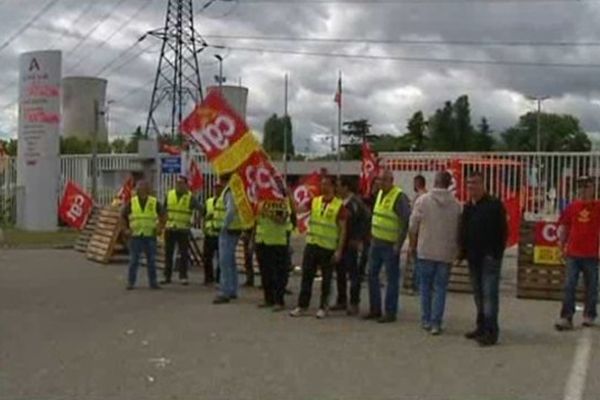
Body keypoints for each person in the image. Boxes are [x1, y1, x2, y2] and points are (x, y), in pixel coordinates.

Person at [409, 171, 461, 335]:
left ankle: (426, 319)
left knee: (425, 287)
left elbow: (413, 225)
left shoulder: (423, 201)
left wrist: (412, 245)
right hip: (446, 252)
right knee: (440, 288)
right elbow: (459, 229)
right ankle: (436, 323)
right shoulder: (456, 204)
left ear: (435, 181)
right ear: (448, 183)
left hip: (425, 250)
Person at [460, 171, 507, 347]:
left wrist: (495, 253)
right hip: (473, 258)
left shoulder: (494, 206)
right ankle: (480, 326)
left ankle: (491, 331)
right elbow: (464, 231)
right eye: (469, 183)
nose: (472, 186)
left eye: (475, 183)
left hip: (489, 258)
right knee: (478, 295)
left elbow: (502, 232)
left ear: (483, 184)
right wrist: (462, 252)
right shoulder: (468, 207)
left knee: (489, 296)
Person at [290, 176, 347, 319]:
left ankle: (323, 306)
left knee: (326, 279)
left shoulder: (339, 206)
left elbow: (343, 229)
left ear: (333, 187)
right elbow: (298, 210)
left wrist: (339, 250)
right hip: (312, 244)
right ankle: (302, 305)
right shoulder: (315, 201)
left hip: (327, 247)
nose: (324, 187)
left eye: (327, 184)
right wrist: (290, 196)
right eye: (322, 184)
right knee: (307, 276)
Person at [365, 170, 411, 323]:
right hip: (376, 241)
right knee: (372, 274)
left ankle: (390, 312)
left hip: (390, 244)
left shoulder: (399, 196)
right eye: (379, 180)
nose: (381, 183)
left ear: (391, 180)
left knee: (391, 278)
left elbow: (404, 222)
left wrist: (399, 243)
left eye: (384, 180)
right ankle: (375, 309)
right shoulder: (379, 194)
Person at [555, 176, 600, 330]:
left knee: (592, 286)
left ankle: (590, 315)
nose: (583, 190)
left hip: (592, 254)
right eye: (580, 187)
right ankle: (566, 317)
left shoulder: (598, 207)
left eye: (586, 186)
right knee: (569, 285)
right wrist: (561, 244)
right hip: (573, 253)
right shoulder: (572, 206)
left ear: (593, 189)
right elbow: (564, 226)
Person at [332, 177, 369, 315]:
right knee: (340, 272)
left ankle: (354, 303)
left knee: (354, 274)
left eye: (339, 186)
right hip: (340, 242)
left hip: (352, 243)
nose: (337, 188)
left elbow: (365, 221)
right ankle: (341, 300)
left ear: (346, 188)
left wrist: (359, 239)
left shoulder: (356, 204)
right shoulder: (338, 203)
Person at [213, 173, 252, 304]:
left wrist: (224, 225)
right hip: (234, 229)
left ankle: (225, 291)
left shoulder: (229, 191)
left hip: (228, 230)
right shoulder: (233, 190)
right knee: (230, 261)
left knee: (224, 262)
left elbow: (230, 211)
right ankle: (232, 289)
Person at [121, 180, 166, 290]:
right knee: (134, 260)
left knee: (151, 260)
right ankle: (131, 282)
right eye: (139, 187)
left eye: (144, 187)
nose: (141, 189)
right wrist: (125, 229)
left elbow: (163, 215)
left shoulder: (154, 202)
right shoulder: (132, 202)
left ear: (147, 189)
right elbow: (122, 216)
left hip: (150, 235)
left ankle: (153, 282)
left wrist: (160, 227)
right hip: (136, 235)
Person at [161, 176, 200, 286]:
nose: (179, 185)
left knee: (183, 253)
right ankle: (167, 276)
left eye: (181, 183)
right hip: (170, 228)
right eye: (177, 183)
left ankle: (183, 276)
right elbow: (163, 210)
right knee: (168, 253)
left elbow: (201, 209)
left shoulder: (190, 197)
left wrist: (195, 221)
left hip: (183, 229)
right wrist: (163, 223)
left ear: (186, 185)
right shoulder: (169, 195)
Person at [255, 198, 291, 312]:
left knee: (279, 273)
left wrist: (268, 213)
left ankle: (279, 301)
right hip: (262, 240)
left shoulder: (281, 202)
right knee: (265, 272)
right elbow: (257, 221)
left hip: (277, 241)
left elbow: (282, 219)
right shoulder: (261, 201)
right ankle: (268, 298)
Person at [359, 176, 382, 282]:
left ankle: (373, 272)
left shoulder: (382, 199)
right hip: (368, 228)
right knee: (366, 251)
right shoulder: (368, 199)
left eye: (378, 185)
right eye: (375, 185)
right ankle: (361, 271)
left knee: (375, 253)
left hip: (379, 229)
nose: (377, 187)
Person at [202, 181, 225, 285]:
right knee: (207, 257)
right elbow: (204, 215)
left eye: (219, 188)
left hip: (220, 233)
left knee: (221, 258)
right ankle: (208, 278)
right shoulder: (209, 201)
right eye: (216, 188)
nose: (217, 190)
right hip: (209, 233)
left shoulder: (225, 201)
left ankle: (219, 278)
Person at [409, 174, 428, 295]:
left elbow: (414, 219)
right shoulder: (427, 195)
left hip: (417, 232)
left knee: (417, 260)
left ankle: (416, 285)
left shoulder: (419, 197)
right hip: (424, 233)